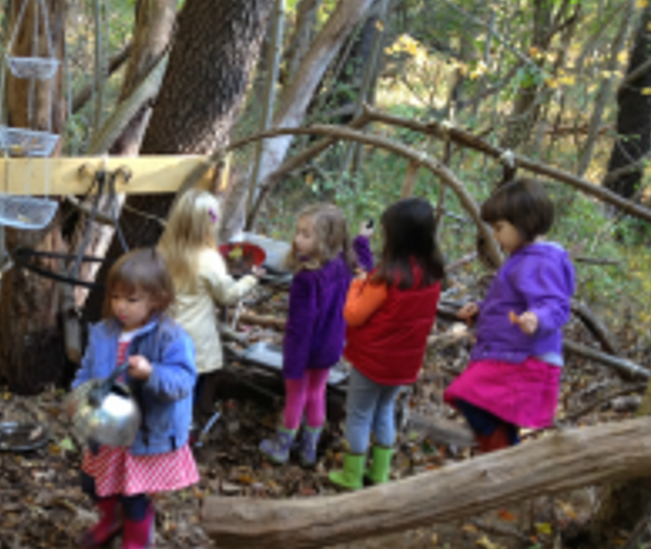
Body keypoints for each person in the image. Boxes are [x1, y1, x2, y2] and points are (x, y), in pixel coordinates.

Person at [71, 248, 198, 549]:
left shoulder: (170, 337)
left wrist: (152, 373)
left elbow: (183, 380)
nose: (121, 307)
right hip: (108, 430)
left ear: (157, 298)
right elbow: (86, 372)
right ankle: (110, 521)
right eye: (116, 297)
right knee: (95, 484)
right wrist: (80, 395)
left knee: (134, 494)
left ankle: (138, 543)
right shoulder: (103, 332)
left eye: (132, 300)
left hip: (143, 435)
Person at [445, 178, 577, 452]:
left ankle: (503, 454)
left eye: (499, 228)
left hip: (524, 359)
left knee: (467, 395)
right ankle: (500, 454)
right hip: (509, 354)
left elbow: (555, 304)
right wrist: (480, 309)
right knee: (483, 407)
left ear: (525, 222)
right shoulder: (523, 257)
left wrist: (538, 319)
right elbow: (510, 301)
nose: (494, 235)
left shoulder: (540, 261)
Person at [328, 198, 445, 489]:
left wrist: (357, 286)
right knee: (384, 411)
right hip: (403, 364)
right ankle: (379, 473)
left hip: (371, 360)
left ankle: (351, 475)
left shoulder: (386, 277)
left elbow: (353, 315)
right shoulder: (432, 276)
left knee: (358, 414)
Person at [260, 203, 371, 466]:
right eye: (298, 232)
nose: (298, 239)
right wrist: (362, 240)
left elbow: (301, 326)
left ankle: (281, 447)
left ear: (327, 239)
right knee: (316, 393)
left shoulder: (306, 279)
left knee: (296, 395)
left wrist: (294, 364)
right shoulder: (344, 265)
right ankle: (308, 450)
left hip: (306, 349)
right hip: (331, 345)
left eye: (306, 234)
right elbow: (366, 262)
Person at [156, 189, 260, 414]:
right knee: (196, 380)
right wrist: (250, 279)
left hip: (163, 332)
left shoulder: (162, 251)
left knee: (167, 381)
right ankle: (190, 423)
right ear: (208, 226)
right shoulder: (209, 258)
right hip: (195, 339)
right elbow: (227, 295)